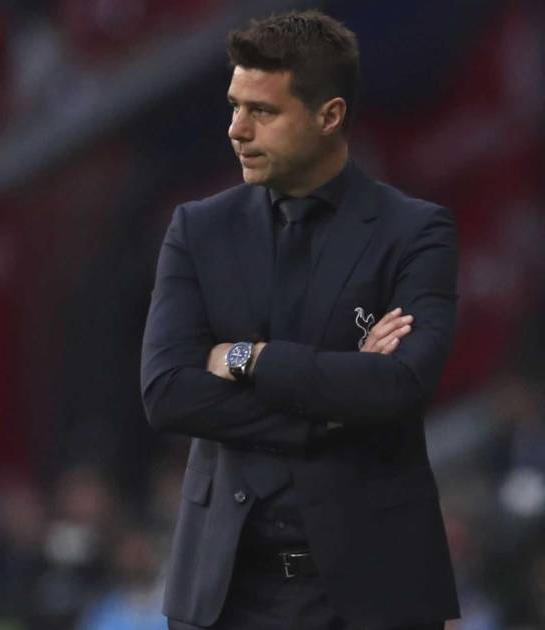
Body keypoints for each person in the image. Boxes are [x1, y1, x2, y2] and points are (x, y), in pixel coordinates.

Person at [139, 10, 459, 630]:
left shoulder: (416, 231)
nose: (236, 129)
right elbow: (168, 393)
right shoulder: (196, 229)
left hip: (376, 593)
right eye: (235, 106)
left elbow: (402, 385)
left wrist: (246, 358)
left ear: (329, 115)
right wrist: (334, 406)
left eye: (262, 111)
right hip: (225, 594)